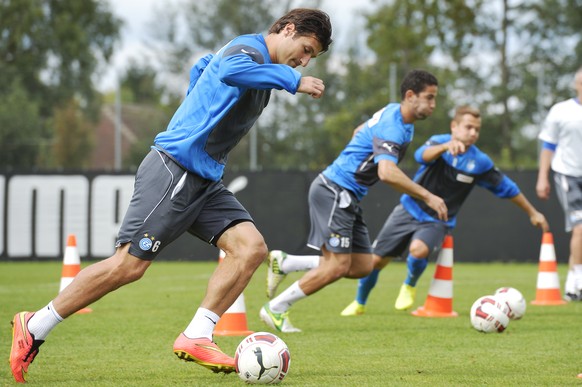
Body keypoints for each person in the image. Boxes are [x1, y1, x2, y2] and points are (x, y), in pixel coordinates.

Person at [9, 8, 332, 383]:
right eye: (306, 49)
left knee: (251, 249)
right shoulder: (252, 51)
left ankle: (197, 334)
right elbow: (226, 70)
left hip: (203, 178)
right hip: (176, 168)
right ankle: (35, 324)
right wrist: (292, 80)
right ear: (288, 29)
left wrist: (198, 100)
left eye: (312, 58)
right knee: (128, 266)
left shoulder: (252, 59)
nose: (305, 61)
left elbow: (204, 65)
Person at [260, 69, 447, 333]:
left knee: (361, 266)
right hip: (334, 190)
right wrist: (428, 195)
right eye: (429, 98)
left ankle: (287, 263)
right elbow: (386, 172)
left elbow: (360, 129)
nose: (433, 104)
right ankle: (276, 308)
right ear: (410, 96)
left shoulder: (396, 114)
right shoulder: (395, 126)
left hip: (347, 195)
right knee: (337, 266)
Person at [337, 105, 550, 316]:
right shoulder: (440, 142)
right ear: (454, 127)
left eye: (477, 129)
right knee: (375, 262)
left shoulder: (480, 162)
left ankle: (409, 285)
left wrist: (533, 212)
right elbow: (422, 155)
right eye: (468, 127)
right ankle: (359, 303)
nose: (473, 133)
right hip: (408, 209)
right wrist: (445, 147)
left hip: (438, 219)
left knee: (418, 250)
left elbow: (508, 188)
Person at [536, 66, 582, 301]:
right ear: (577, 84)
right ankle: (578, 279)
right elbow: (549, 146)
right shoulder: (561, 111)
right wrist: (543, 177)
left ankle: (572, 287)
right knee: (580, 227)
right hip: (568, 174)